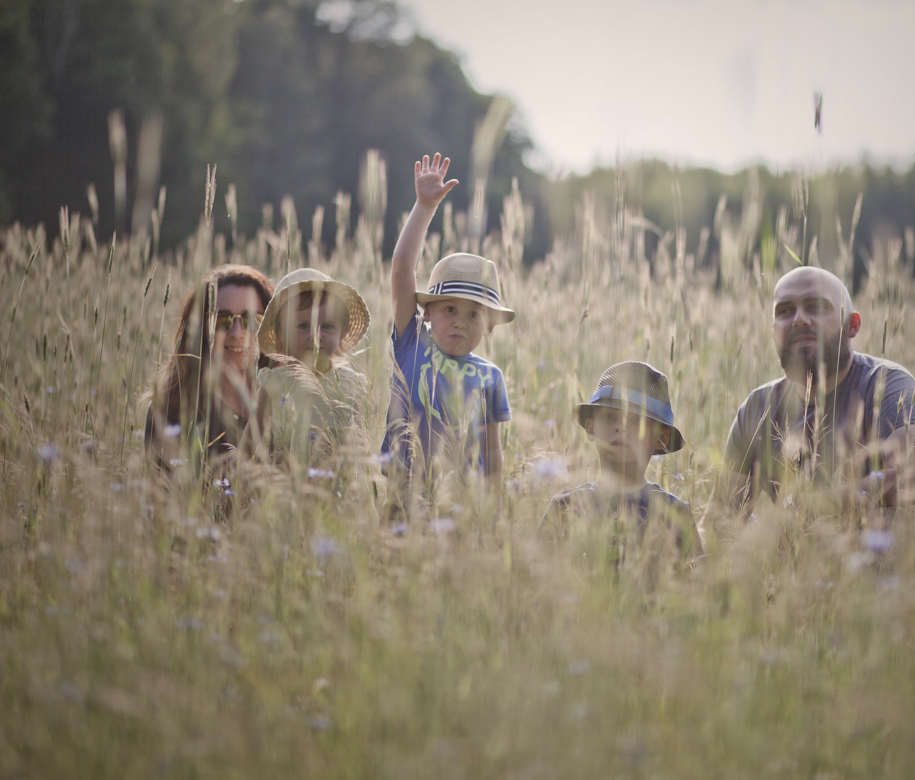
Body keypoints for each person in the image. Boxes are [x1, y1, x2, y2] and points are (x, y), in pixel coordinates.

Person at [717, 265, 915, 521]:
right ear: (774, 333)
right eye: (785, 311)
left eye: (816, 307)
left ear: (852, 325)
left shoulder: (888, 385)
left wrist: (805, 509)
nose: (799, 319)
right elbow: (719, 520)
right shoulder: (757, 409)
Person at [381, 153, 514, 498]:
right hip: (403, 493)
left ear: (490, 326)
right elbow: (401, 270)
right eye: (450, 309)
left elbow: (492, 452)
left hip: (461, 503)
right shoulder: (411, 345)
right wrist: (425, 207)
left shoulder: (490, 377)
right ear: (426, 313)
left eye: (474, 315)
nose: (461, 322)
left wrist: (493, 509)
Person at [538, 361, 702, 565]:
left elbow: (695, 587)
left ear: (661, 438)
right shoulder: (564, 508)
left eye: (636, 420)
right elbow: (532, 584)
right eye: (609, 416)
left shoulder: (675, 513)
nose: (620, 427)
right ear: (591, 428)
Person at [145, 264, 274, 474]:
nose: (237, 333)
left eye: (252, 320)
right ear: (201, 329)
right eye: (221, 319)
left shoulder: (287, 406)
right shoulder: (171, 411)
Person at [255, 268, 371, 468]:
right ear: (282, 334)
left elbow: (362, 446)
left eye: (327, 326)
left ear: (342, 333)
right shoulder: (274, 384)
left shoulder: (348, 384)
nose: (315, 336)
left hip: (337, 489)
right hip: (286, 486)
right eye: (302, 326)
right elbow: (252, 441)